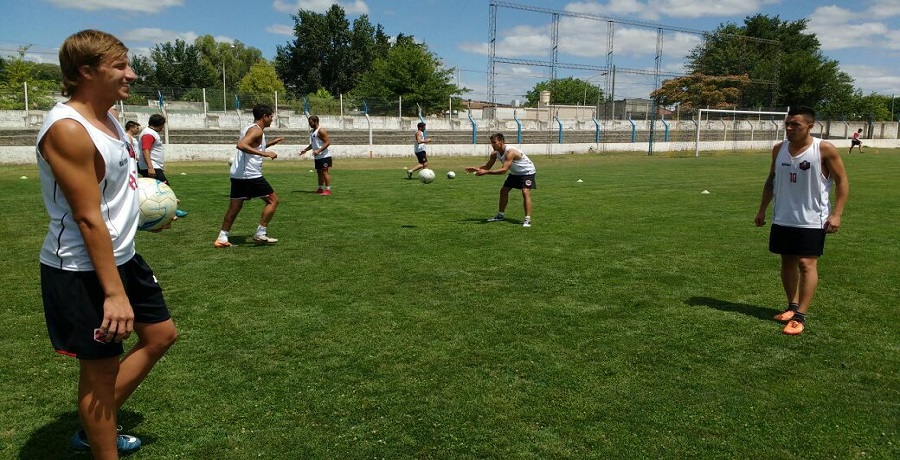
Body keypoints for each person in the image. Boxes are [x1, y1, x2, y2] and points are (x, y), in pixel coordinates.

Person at [36, 29, 178, 458]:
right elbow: (87, 216)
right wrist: (114, 294)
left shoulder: (109, 116)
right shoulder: (69, 129)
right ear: (85, 71)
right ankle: (100, 439)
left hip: (122, 256)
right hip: (81, 269)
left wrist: (151, 209)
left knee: (160, 335)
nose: (131, 75)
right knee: (100, 371)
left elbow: (114, 191)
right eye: (120, 66)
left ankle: (97, 424)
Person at [754, 106, 849, 335]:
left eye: (795, 124)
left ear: (810, 125)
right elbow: (771, 181)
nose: (789, 128)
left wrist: (836, 214)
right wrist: (762, 210)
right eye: (787, 124)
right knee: (786, 262)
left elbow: (842, 181)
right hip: (783, 217)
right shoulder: (779, 150)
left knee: (806, 264)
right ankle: (792, 306)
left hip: (812, 219)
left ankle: (800, 316)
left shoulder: (824, 149)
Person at [214, 104, 284, 247]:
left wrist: (269, 144)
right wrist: (265, 153)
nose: (272, 119)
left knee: (234, 207)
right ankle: (260, 233)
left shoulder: (249, 128)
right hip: (250, 175)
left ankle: (222, 238)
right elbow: (241, 145)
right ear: (265, 117)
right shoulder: (256, 131)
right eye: (271, 117)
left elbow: (251, 145)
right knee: (273, 201)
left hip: (238, 174)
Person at [465, 132, 536, 228]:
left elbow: (504, 170)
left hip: (527, 172)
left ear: (501, 142)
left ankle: (527, 219)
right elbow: (487, 167)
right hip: (515, 173)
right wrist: (476, 168)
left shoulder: (510, 152)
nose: (492, 145)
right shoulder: (495, 154)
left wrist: (486, 172)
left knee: (525, 192)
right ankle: (500, 215)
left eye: (494, 142)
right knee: (503, 191)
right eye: (491, 143)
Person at [138, 114, 187, 217]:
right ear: (160, 124)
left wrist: (161, 165)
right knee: (165, 188)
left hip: (155, 165)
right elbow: (145, 150)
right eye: (163, 125)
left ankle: (159, 210)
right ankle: (172, 211)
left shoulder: (151, 133)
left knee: (156, 190)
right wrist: (151, 167)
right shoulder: (148, 134)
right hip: (151, 166)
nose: (163, 127)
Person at [299, 115, 333, 195]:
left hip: (324, 156)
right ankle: (320, 189)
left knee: (325, 172)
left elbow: (328, 142)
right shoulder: (312, 132)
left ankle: (328, 190)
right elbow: (313, 144)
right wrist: (305, 150)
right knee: (319, 172)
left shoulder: (321, 131)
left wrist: (319, 150)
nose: (309, 124)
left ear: (315, 122)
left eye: (310, 122)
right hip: (318, 157)